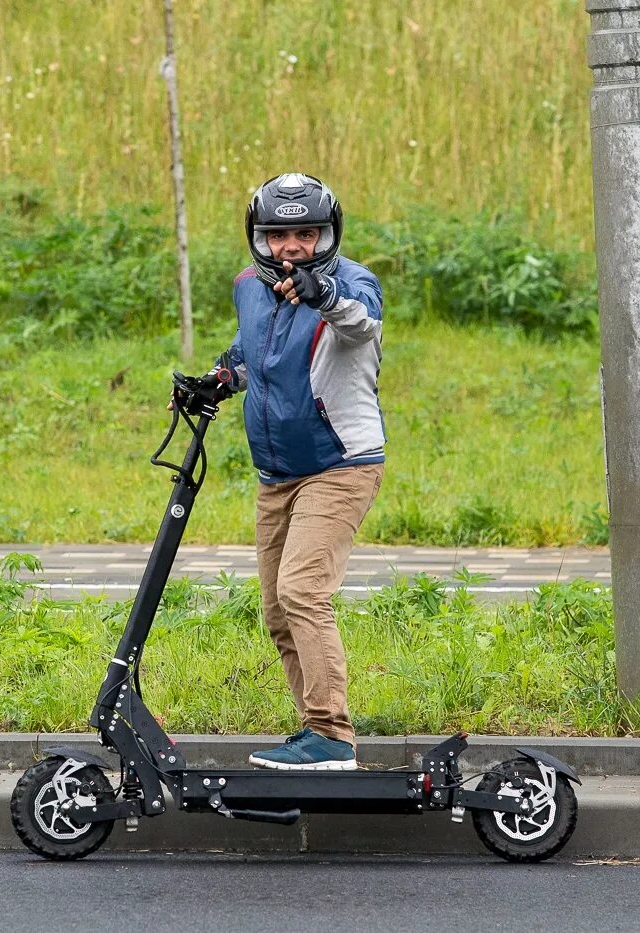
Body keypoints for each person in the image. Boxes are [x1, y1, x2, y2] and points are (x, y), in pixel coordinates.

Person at [206, 173, 386, 771]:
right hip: (276, 473)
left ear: (327, 235)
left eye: (306, 234)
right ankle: (313, 731)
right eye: (279, 235)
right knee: (278, 610)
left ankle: (332, 736)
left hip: (339, 466)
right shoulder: (248, 289)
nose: (292, 247)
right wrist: (220, 378)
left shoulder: (352, 284)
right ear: (259, 238)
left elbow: (361, 322)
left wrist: (321, 294)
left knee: (304, 591)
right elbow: (250, 349)